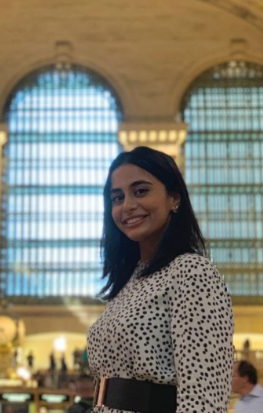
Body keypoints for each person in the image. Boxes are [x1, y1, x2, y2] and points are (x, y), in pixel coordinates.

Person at [88, 146, 233, 412]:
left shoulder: (192, 273)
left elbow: (204, 400)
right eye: (117, 198)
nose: (127, 206)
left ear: (174, 198)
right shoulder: (131, 280)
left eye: (141, 191)